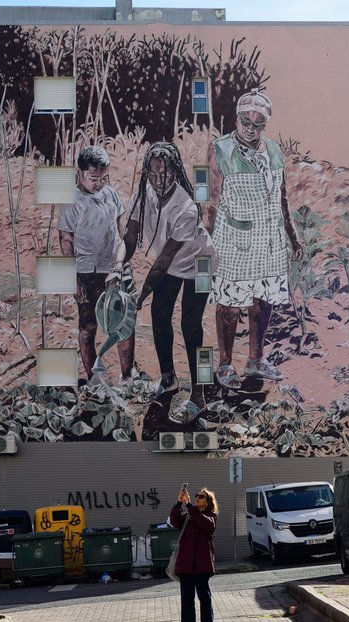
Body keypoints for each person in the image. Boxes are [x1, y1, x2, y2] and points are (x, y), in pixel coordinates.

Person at [205, 89, 301, 389]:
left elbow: (281, 196)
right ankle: (224, 365)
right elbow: (210, 199)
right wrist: (205, 241)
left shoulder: (273, 150)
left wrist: (292, 237)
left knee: (262, 302)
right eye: (245, 120)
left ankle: (256, 360)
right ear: (236, 118)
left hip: (269, 242)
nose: (250, 127)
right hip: (234, 240)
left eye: (258, 123)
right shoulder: (220, 149)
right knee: (230, 306)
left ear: (265, 124)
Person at [122, 141, 211, 401]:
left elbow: (164, 260)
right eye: (153, 174)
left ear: (175, 172)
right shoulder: (141, 194)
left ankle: (200, 391)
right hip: (173, 262)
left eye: (165, 174)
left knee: (191, 324)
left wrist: (141, 294)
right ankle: (169, 378)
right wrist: (119, 264)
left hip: (202, 261)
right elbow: (129, 235)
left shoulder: (186, 206)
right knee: (159, 314)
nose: (158, 180)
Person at [58, 145, 134, 383]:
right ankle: (94, 377)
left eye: (103, 178)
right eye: (93, 178)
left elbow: (120, 226)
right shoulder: (72, 200)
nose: (99, 183)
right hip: (87, 271)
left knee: (123, 323)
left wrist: (124, 260)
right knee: (89, 325)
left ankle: (127, 375)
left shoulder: (110, 194)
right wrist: (73, 278)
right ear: (80, 173)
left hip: (113, 269)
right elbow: (66, 238)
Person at [170, 486, 217, 622]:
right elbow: (174, 521)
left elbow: (205, 525)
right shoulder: (188, 515)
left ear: (208, 502)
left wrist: (189, 505)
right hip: (185, 565)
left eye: (201, 497)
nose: (197, 498)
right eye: (196, 495)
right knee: (187, 598)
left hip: (202, 565)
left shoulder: (211, 516)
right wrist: (179, 503)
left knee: (204, 596)